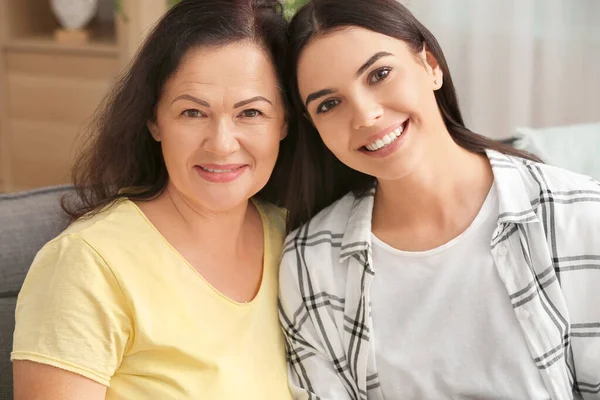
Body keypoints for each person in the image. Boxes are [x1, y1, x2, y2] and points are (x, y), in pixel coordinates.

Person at [277, 0, 600, 399]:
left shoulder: (579, 215)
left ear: (430, 65)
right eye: (329, 104)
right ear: (314, 127)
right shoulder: (311, 261)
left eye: (379, 74)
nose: (364, 115)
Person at [11, 0, 293, 398]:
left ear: (284, 122)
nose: (222, 143)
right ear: (154, 120)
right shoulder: (88, 264)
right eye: (193, 113)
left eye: (250, 113)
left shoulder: (297, 240)